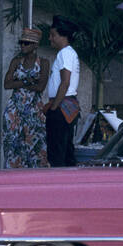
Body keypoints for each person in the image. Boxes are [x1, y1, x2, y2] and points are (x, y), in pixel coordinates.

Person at [3, 27, 50, 168]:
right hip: (15, 109)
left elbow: (41, 86)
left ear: (35, 45)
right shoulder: (16, 61)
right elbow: (6, 84)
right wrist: (26, 82)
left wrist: (20, 84)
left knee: (36, 145)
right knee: (13, 145)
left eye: (26, 43)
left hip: (34, 109)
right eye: (21, 42)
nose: (23, 45)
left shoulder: (43, 63)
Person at [42, 16, 81, 168]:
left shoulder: (65, 53)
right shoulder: (68, 53)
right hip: (66, 105)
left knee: (57, 152)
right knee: (65, 150)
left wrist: (53, 107)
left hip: (61, 106)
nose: (50, 38)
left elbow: (65, 83)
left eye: (53, 35)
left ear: (63, 36)